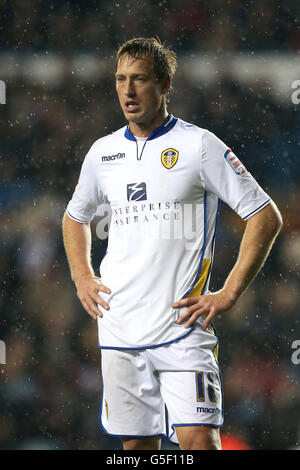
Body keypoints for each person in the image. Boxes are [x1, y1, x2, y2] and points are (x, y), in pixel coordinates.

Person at [62, 37, 282, 450]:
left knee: (199, 442)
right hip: (119, 328)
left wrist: (230, 291)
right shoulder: (102, 153)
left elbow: (264, 215)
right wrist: (82, 275)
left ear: (164, 85)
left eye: (139, 79)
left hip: (183, 328)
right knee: (137, 448)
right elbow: (75, 217)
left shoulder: (198, 146)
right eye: (121, 79)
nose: (128, 90)